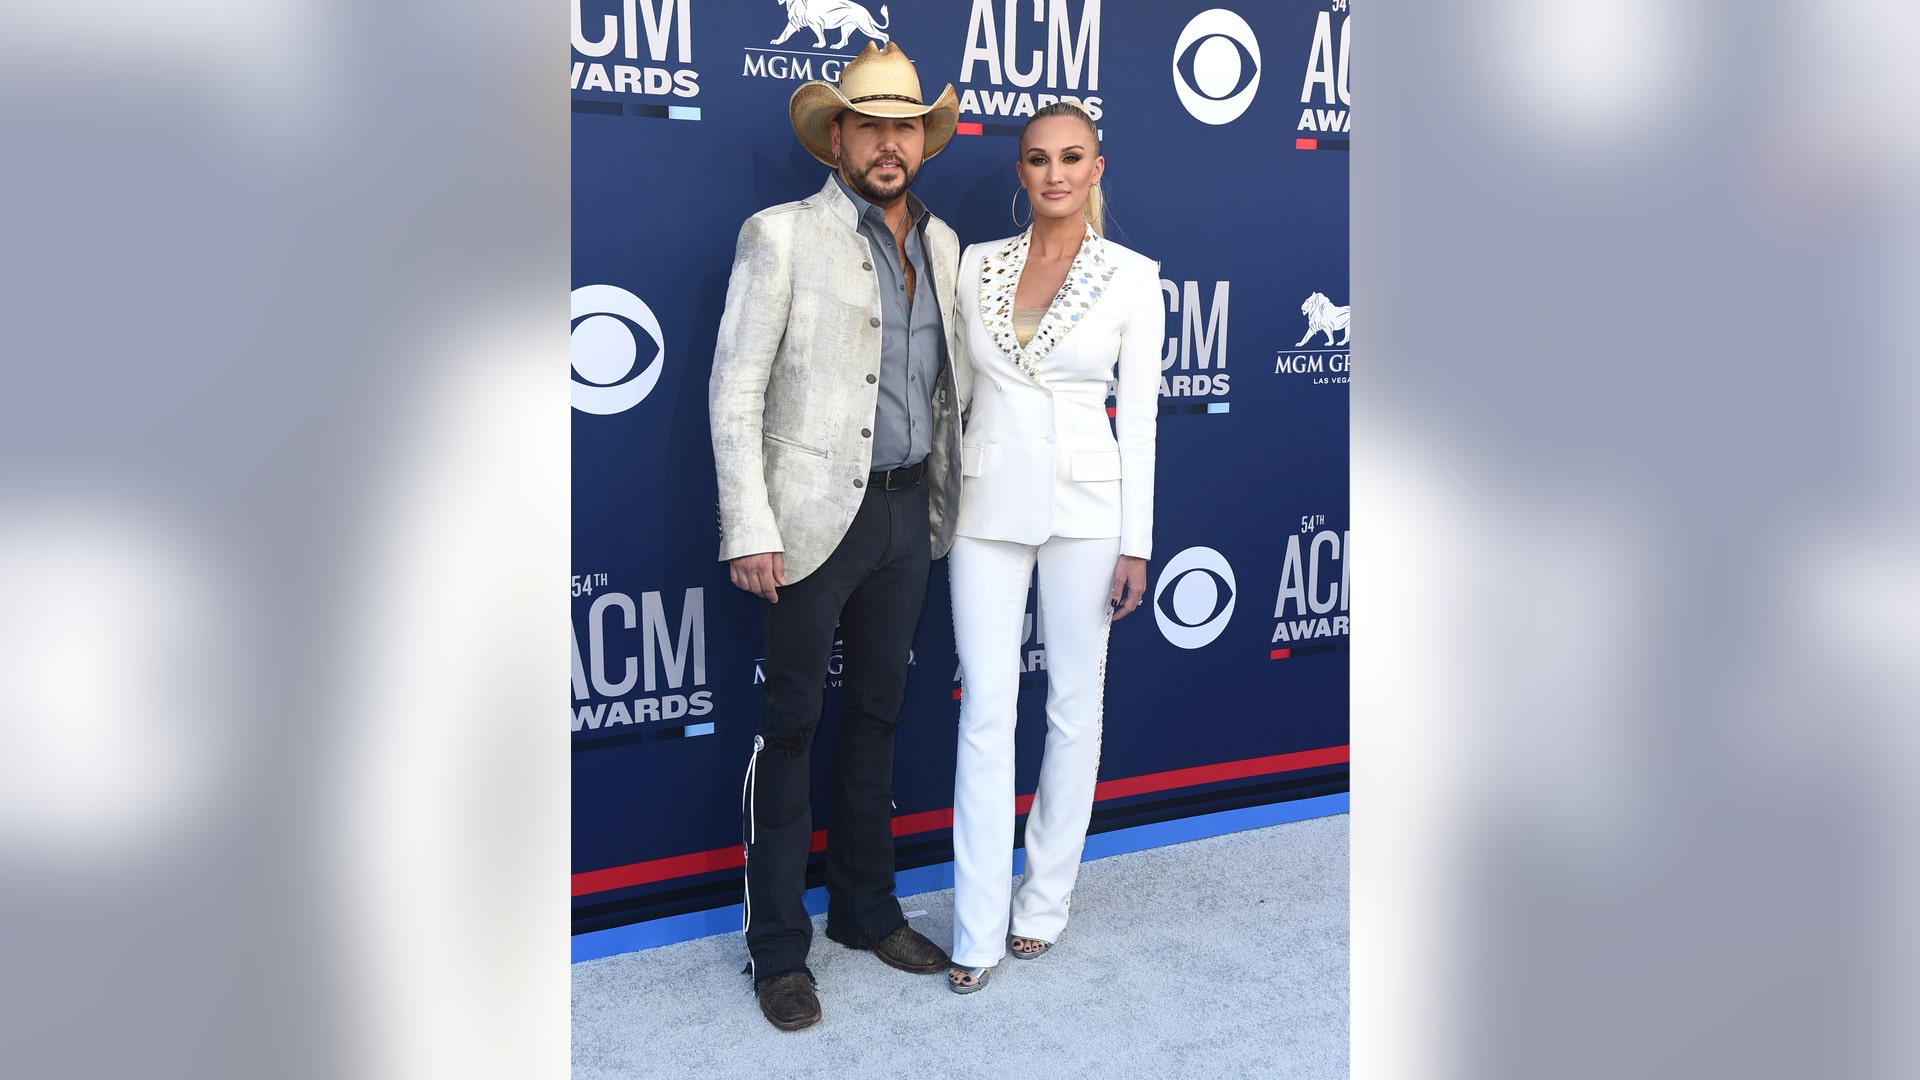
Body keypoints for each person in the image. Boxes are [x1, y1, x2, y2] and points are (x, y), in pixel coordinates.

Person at [708, 42, 966, 1030]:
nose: (890, 142)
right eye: (872, 124)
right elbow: (734, 393)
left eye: (907, 125)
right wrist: (750, 524)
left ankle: (864, 910)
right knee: (793, 732)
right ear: (839, 137)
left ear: (923, 143)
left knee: (880, 720)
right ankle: (779, 950)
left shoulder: (944, 247)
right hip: (812, 521)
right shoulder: (779, 237)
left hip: (908, 512)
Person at [944, 102, 1161, 993]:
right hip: (984, 506)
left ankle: (1043, 903)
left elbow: (1140, 420)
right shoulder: (974, 265)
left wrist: (1137, 542)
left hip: (1088, 510)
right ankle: (974, 927)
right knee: (986, 712)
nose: (1055, 173)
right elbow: (953, 391)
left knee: (1075, 706)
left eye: (1072, 158)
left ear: (1097, 168)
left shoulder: (1134, 277)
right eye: (1038, 159)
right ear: (1021, 172)